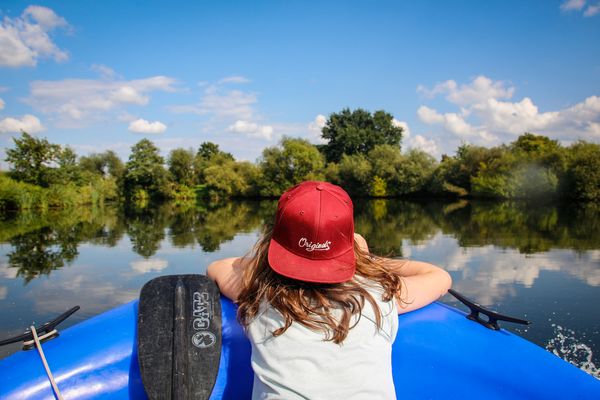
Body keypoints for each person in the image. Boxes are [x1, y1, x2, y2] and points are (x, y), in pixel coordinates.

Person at [207, 181, 452, 399]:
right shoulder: (379, 297)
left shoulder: (261, 297)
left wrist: (266, 260)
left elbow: (218, 268)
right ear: (350, 250)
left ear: (274, 241)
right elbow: (439, 278)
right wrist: (366, 261)